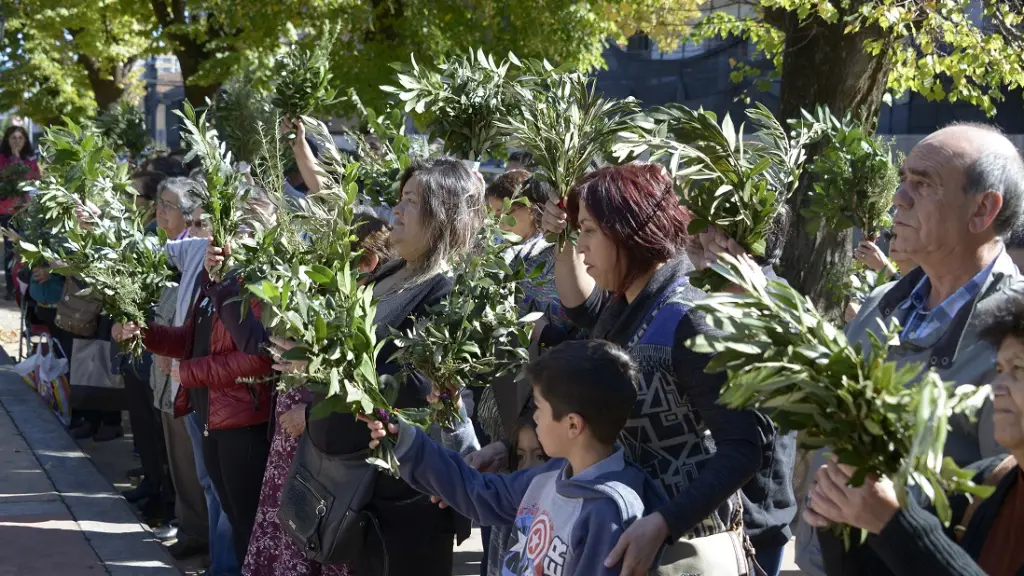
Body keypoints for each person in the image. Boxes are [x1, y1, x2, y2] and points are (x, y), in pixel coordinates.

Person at [466, 162, 777, 575]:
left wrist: (664, 523)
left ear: (629, 231)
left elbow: (744, 446)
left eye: (589, 231)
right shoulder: (622, 306)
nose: (581, 247)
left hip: (679, 551)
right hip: (621, 540)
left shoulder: (688, 318)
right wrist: (511, 449)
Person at [795, 122, 1024, 576]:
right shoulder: (881, 305)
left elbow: (999, 510)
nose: (899, 198)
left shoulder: (1013, 335)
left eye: (923, 184)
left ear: (983, 209)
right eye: (904, 180)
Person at [271, 158, 484, 576]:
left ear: (443, 215)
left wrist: (322, 365)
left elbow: (411, 390)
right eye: (400, 198)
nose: (397, 210)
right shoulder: (393, 271)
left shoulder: (446, 292)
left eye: (411, 200)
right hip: (358, 482)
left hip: (405, 496)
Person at [365, 339, 668, 576]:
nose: (534, 417)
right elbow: (479, 492)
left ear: (573, 425)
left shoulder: (608, 514)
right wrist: (405, 441)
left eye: (539, 407)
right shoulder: (550, 475)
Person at [803, 286, 1024, 576]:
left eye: (1018, 369)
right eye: (1000, 370)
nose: (997, 387)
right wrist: (844, 515)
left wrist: (895, 522)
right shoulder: (990, 483)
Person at [236, 211, 395, 576]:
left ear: (366, 261)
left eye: (334, 253)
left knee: (316, 529)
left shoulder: (369, 307)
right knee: (289, 528)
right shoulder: (329, 296)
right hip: (295, 439)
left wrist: (308, 413)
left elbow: (361, 385)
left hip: (322, 443)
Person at [149, 176, 211, 560]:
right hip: (174, 372)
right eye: (159, 202)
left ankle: (201, 539)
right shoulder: (183, 250)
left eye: (168, 205)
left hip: (197, 379)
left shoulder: (207, 253)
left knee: (200, 472)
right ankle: (190, 528)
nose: (160, 211)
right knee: (184, 465)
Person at [0, 125, 40, 299]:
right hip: (7, 211)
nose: (17, 141)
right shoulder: (2, 159)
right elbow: (9, 178)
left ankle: (24, 286)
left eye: (20, 138)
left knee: (26, 248)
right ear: (7, 140)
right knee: (11, 249)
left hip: (27, 210)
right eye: (13, 138)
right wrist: (15, 158)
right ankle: (11, 289)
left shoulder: (30, 159)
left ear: (25, 140)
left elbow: (36, 180)